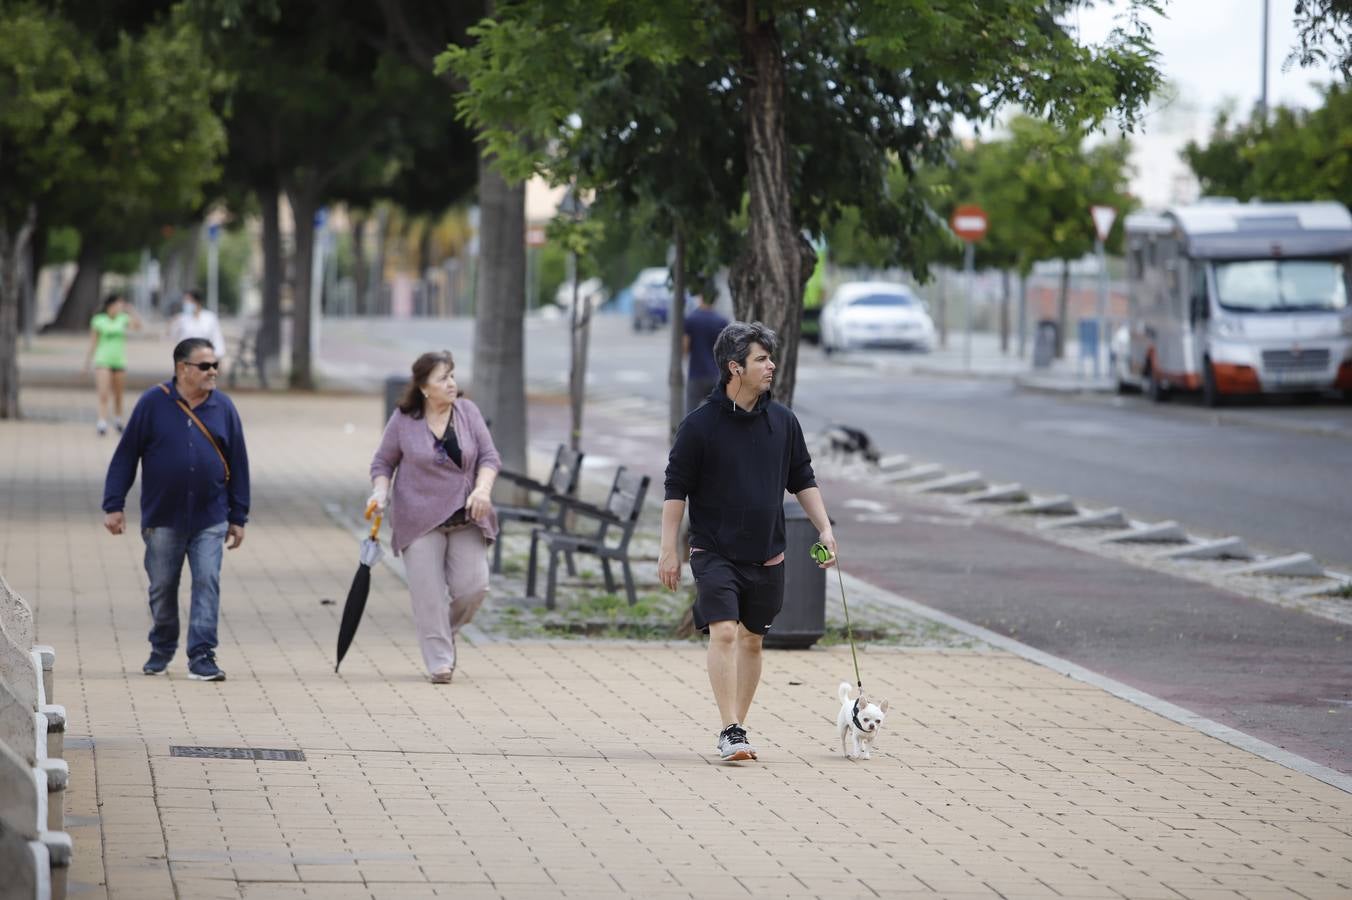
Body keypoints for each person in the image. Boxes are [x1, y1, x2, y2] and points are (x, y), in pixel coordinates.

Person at [660, 321, 837, 761]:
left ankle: (737, 723)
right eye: (761, 359)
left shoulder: (783, 422)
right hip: (714, 549)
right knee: (723, 632)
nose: (771, 365)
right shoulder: (699, 426)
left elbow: (803, 479)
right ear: (734, 368)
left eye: (770, 357)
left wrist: (825, 527)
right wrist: (668, 548)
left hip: (768, 553)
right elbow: (675, 488)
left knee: (753, 639)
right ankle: (731, 729)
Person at [102, 338, 251, 681]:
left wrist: (238, 517)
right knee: (162, 587)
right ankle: (162, 645)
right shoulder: (153, 403)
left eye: (216, 365)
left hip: (210, 517)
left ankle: (202, 655)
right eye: (205, 366)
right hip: (163, 517)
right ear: (182, 368)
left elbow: (239, 464)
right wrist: (114, 505)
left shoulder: (224, 408)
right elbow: (126, 456)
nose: (213, 371)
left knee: (207, 582)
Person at [368, 351, 500, 684]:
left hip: (466, 516)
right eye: (443, 378)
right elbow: (383, 463)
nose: (452, 383)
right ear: (425, 387)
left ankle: (441, 631)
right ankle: (439, 661)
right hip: (419, 519)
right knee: (428, 596)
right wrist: (380, 493)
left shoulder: (468, 413)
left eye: (452, 375)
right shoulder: (403, 420)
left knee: (474, 587)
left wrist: (482, 490)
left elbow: (489, 457)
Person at [85, 293, 141, 435]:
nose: (120, 307)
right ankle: (102, 422)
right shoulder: (98, 320)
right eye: (118, 304)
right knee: (103, 393)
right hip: (102, 360)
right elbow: (93, 342)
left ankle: (118, 420)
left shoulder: (123, 318)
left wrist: (131, 310)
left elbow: (138, 326)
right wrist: (87, 363)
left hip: (119, 361)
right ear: (110, 305)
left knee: (118, 394)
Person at [683, 289, 729, 414]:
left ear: (701, 297)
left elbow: (685, 347)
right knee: (716, 414)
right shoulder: (722, 321)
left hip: (696, 374)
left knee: (691, 413)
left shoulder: (691, 319)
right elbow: (725, 350)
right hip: (715, 374)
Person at [169, 289, 227, 367]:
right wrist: (173, 323)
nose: (185, 303)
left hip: (206, 359)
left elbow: (217, 338)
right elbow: (173, 335)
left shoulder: (209, 317)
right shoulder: (182, 319)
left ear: (196, 301)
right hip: (187, 359)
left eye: (188, 300)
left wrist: (218, 357)